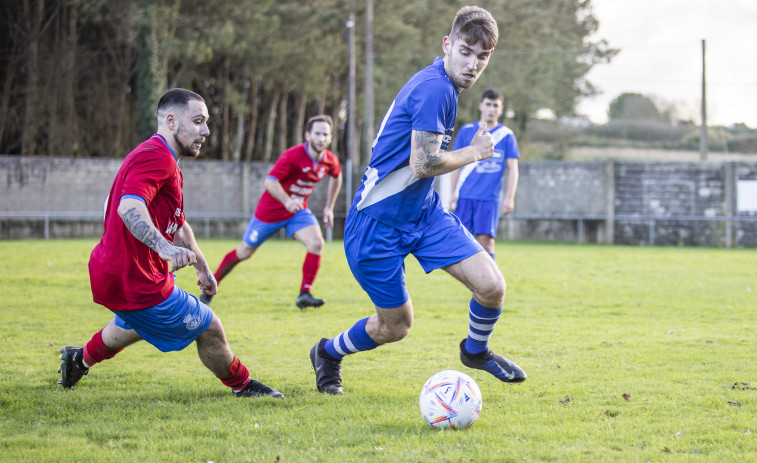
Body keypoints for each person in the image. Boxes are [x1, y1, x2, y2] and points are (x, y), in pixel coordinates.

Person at [309, 6, 526, 395]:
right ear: (447, 45)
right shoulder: (436, 89)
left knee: (492, 286)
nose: (472, 64)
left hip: (424, 215)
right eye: (465, 51)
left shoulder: (446, 86)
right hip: (377, 224)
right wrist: (474, 152)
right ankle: (328, 352)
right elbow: (423, 162)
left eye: (482, 56)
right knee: (395, 327)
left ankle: (474, 352)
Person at [57, 88, 283, 398]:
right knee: (210, 327)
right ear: (172, 120)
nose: (206, 130)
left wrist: (203, 268)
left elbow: (177, 223)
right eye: (198, 121)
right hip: (134, 279)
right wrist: (163, 248)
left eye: (206, 122)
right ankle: (243, 386)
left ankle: (78, 359)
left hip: (125, 273)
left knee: (135, 323)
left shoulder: (162, 159)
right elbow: (127, 206)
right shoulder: (157, 157)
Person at [200, 115, 342, 309]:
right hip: (270, 212)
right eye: (317, 133)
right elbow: (270, 181)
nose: (321, 138)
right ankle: (208, 288)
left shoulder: (330, 160)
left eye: (325, 134)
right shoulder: (293, 155)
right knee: (244, 252)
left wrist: (329, 207)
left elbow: (337, 177)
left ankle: (304, 294)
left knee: (317, 243)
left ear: (331, 137)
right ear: (307, 135)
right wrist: (286, 200)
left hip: (297, 212)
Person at [449, 88, 520, 258]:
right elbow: (455, 164)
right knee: (461, 242)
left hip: (489, 198)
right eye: (488, 104)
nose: (492, 109)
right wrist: (452, 193)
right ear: (481, 106)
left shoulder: (507, 136)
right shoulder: (466, 131)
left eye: (496, 105)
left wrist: (509, 198)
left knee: (486, 242)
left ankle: (488, 284)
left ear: (501, 109)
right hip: (465, 196)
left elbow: (513, 170)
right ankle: (469, 282)